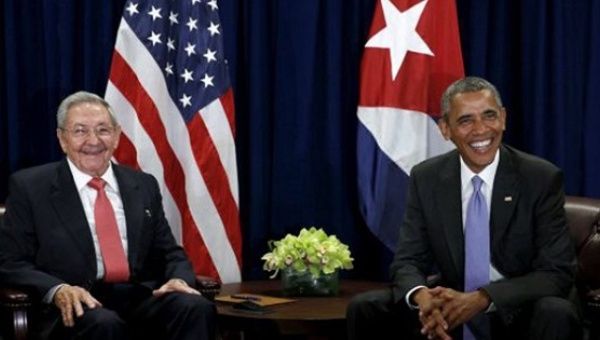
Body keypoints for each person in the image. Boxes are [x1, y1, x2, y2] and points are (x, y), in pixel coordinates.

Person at [347, 77, 582, 340]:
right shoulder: (427, 177)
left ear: (503, 118)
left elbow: (556, 272)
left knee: (555, 312)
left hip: (517, 307)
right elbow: (408, 260)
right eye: (466, 120)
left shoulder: (540, 177)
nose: (481, 130)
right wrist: (423, 298)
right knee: (366, 308)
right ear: (445, 129)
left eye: (489, 116)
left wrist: (483, 298)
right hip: (451, 304)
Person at [0, 91, 216, 339]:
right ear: (62, 138)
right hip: (74, 305)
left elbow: (169, 252)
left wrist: (179, 279)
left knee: (194, 307)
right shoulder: (30, 187)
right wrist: (57, 289)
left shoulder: (143, 185)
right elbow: (10, 262)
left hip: (139, 298)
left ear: (116, 136)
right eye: (80, 131)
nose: (93, 141)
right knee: (103, 324)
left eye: (103, 130)